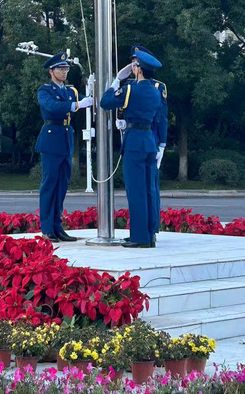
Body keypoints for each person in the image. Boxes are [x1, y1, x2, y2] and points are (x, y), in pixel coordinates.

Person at [100, 49, 166, 248]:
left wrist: (116, 81)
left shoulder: (130, 90)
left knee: (136, 191)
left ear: (139, 69)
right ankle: (149, 234)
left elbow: (105, 102)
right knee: (149, 190)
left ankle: (140, 237)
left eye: (135, 65)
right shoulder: (156, 91)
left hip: (135, 141)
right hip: (149, 140)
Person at [35, 52, 93, 242]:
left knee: (61, 187)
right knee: (49, 185)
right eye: (60, 69)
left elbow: (85, 100)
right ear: (51, 71)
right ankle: (47, 228)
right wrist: (77, 105)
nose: (64, 72)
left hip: (66, 138)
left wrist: (93, 91)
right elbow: (52, 106)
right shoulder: (45, 90)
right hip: (52, 138)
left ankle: (57, 227)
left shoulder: (70, 91)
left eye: (66, 69)